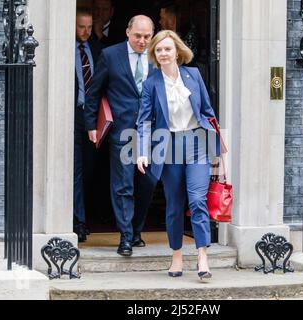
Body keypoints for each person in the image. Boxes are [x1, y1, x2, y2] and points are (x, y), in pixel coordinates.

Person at [136, 30, 221, 280]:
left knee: (197, 200)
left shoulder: (193, 75)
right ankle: (176, 256)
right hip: (169, 147)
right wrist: (142, 152)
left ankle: (203, 255)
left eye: (167, 49)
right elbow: (144, 122)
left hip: (197, 144)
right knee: (174, 205)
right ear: (155, 54)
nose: (163, 53)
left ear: (177, 51)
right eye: (159, 50)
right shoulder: (151, 83)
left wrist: (213, 141)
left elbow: (207, 110)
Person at [84, 15, 157, 257]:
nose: (142, 41)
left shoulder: (158, 55)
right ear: (127, 32)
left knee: (149, 181)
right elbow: (94, 91)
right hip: (123, 130)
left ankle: (136, 231)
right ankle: (125, 237)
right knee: (123, 183)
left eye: (147, 36)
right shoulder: (110, 55)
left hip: (152, 130)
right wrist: (91, 123)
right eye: (138, 36)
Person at [74, 10, 102, 242]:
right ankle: (78, 221)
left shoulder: (96, 49)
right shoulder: (66, 48)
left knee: (90, 168)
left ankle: (87, 215)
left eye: (89, 26)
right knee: (76, 169)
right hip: (73, 114)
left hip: (93, 116)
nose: (85, 31)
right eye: (81, 26)